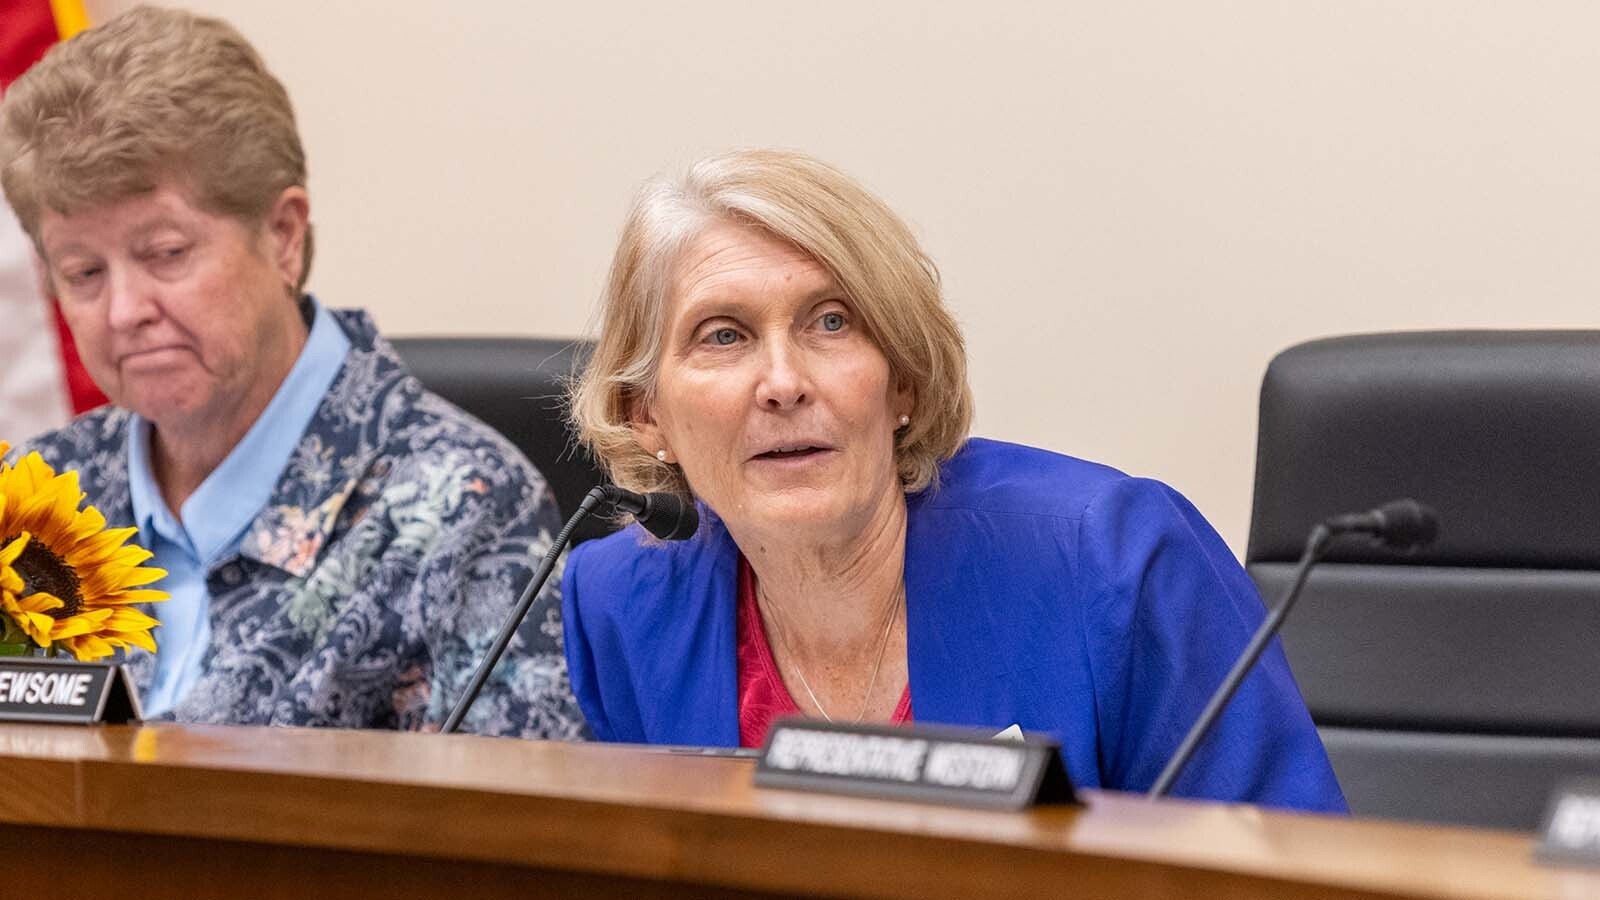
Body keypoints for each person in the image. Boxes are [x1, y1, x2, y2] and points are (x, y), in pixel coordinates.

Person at [562, 148, 1345, 811]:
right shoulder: (620, 606)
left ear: (901, 381)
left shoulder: (1115, 560)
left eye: (830, 322)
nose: (783, 381)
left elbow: (1288, 869)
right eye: (723, 335)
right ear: (646, 415)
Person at [0, 7, 584, 738]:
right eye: (83, 271)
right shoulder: (34, 499)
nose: (123, 310)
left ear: (281, 235)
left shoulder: (459, 508)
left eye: (165, 254)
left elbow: (501, 835)